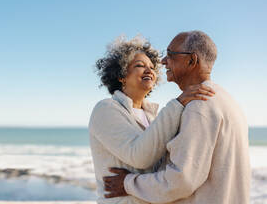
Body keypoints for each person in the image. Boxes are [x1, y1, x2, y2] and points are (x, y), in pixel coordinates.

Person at [103, 31, 251, 204]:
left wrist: (127, 183)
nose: (163, 61)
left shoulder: (199, 105)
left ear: (192, 60)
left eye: (171, 55)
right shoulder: (227, 100)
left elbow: (180, 181)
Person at [89, 36, 215, 204]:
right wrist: (177, 104)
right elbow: (140, 157)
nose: (149, 70)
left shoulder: (153, 116)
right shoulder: (106, 109)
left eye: (152, 67)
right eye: (140, 66)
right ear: (121, 75)